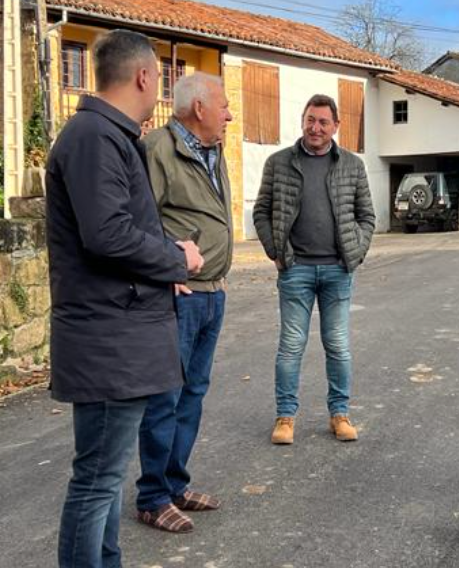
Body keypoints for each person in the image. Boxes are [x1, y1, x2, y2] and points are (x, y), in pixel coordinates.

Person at [47, 29, 203, 568]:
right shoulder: (94, 137)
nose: (158, 88)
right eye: (159, 78)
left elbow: (123, 227)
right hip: (108, 341)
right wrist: (175, 260)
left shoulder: (108, 135)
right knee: (96, 482)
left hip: (116, 337)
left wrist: (166, 254)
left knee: (105, 480)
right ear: (143, 76)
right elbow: (107, 234)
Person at [134, 73, 234, 534]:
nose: (230, 113)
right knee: (166, 397)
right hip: (182, 295)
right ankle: (152, 497)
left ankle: (175, 484)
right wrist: (165, 269)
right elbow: (139, 218)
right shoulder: (157, 149)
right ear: (199, 108)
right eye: (225, 105)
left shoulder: (214, 152)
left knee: (193, 393)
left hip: (212, 291)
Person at [253, 94, 375, 445]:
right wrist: (275, 251)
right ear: (302, 120)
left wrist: (357, 251)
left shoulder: (351, 165)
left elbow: (366, 215)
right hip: (295, 270)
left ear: (336, 126)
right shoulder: (279, 163)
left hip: (338, 270)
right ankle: (285, 418)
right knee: (291, 346)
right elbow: (262, 210)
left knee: (337, 345)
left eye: (323, 121)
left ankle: (340, 415)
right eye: (310, 119)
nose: (315, 127)